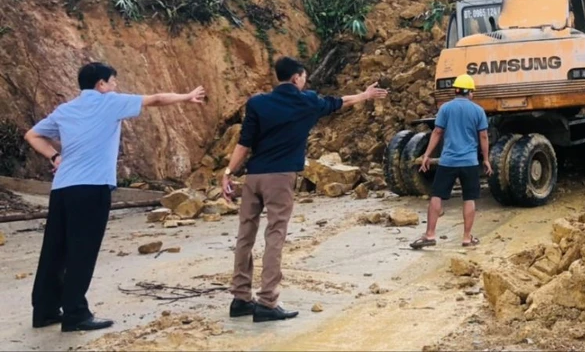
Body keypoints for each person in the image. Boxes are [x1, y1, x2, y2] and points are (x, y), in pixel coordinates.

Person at [23, 62, 206, 333]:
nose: (115, 86)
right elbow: (155, 100)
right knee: (82, 252)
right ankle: (75, 314)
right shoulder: (109, 102)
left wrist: (54, 156)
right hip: (92, 187)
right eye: (113, 82)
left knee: (55, 249)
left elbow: (32, 134)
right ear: (101, 84)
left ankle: (45, 311)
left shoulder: (66, 109)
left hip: (62, 189)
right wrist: (187, 96)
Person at [222, 56, 388, 323]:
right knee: (275, 234)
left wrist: (228, 173)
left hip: (254, 177)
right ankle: (267, 302)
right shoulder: (306, 101)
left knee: (245, 235)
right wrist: (365, 95)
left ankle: (240, 299)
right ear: (297, 77)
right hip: (280, 177)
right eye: (304, 77)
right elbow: (340, 102)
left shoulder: (257, 103)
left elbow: (243, 144)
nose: (305, 81)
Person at [410, 74, 490, 250]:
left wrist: (426, 155)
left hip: (448, 162)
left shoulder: (445, 109)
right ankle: (467, 238)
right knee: (469, 199)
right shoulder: (478, 111)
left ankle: (430, 234)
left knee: (436, 196)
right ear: (470, 92)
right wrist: (486, 159)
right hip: (469, 162)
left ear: (456, 91)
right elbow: (483, 136)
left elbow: (437, 132)